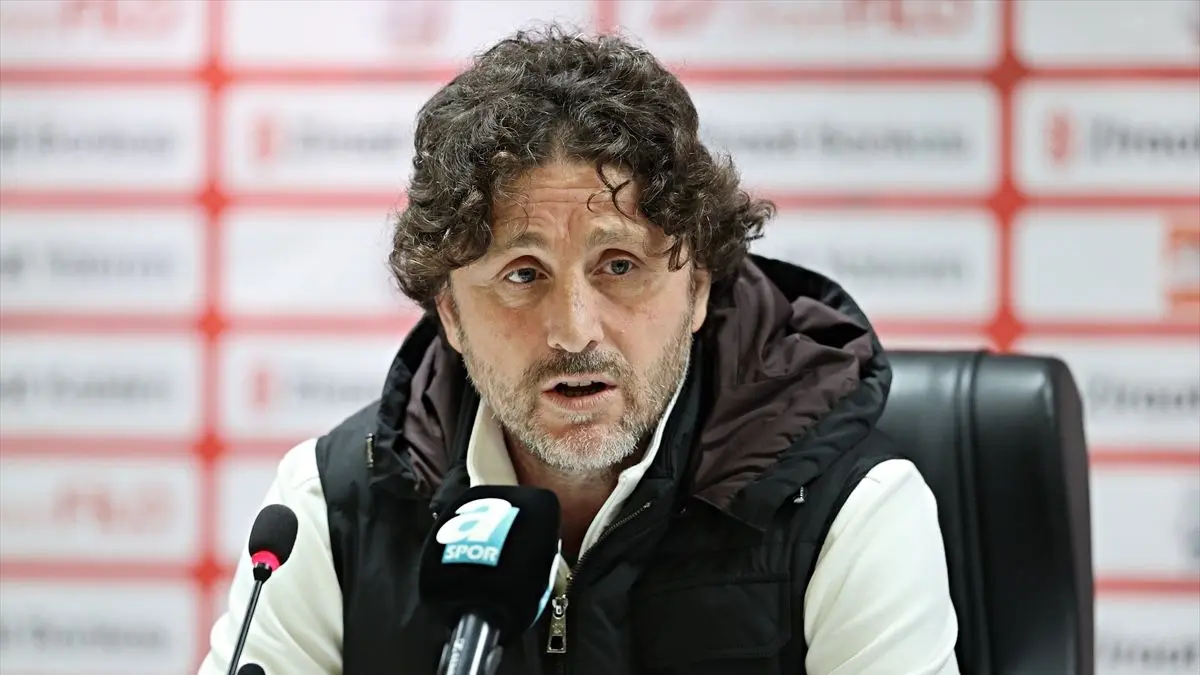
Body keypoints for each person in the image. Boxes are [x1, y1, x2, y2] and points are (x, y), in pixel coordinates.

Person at [198, 25, 960, 675]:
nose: (573, 330)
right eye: (522, 274)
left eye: (619, 266)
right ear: (451, 312)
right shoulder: (332, 503)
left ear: (697, 287)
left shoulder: (851, 510)